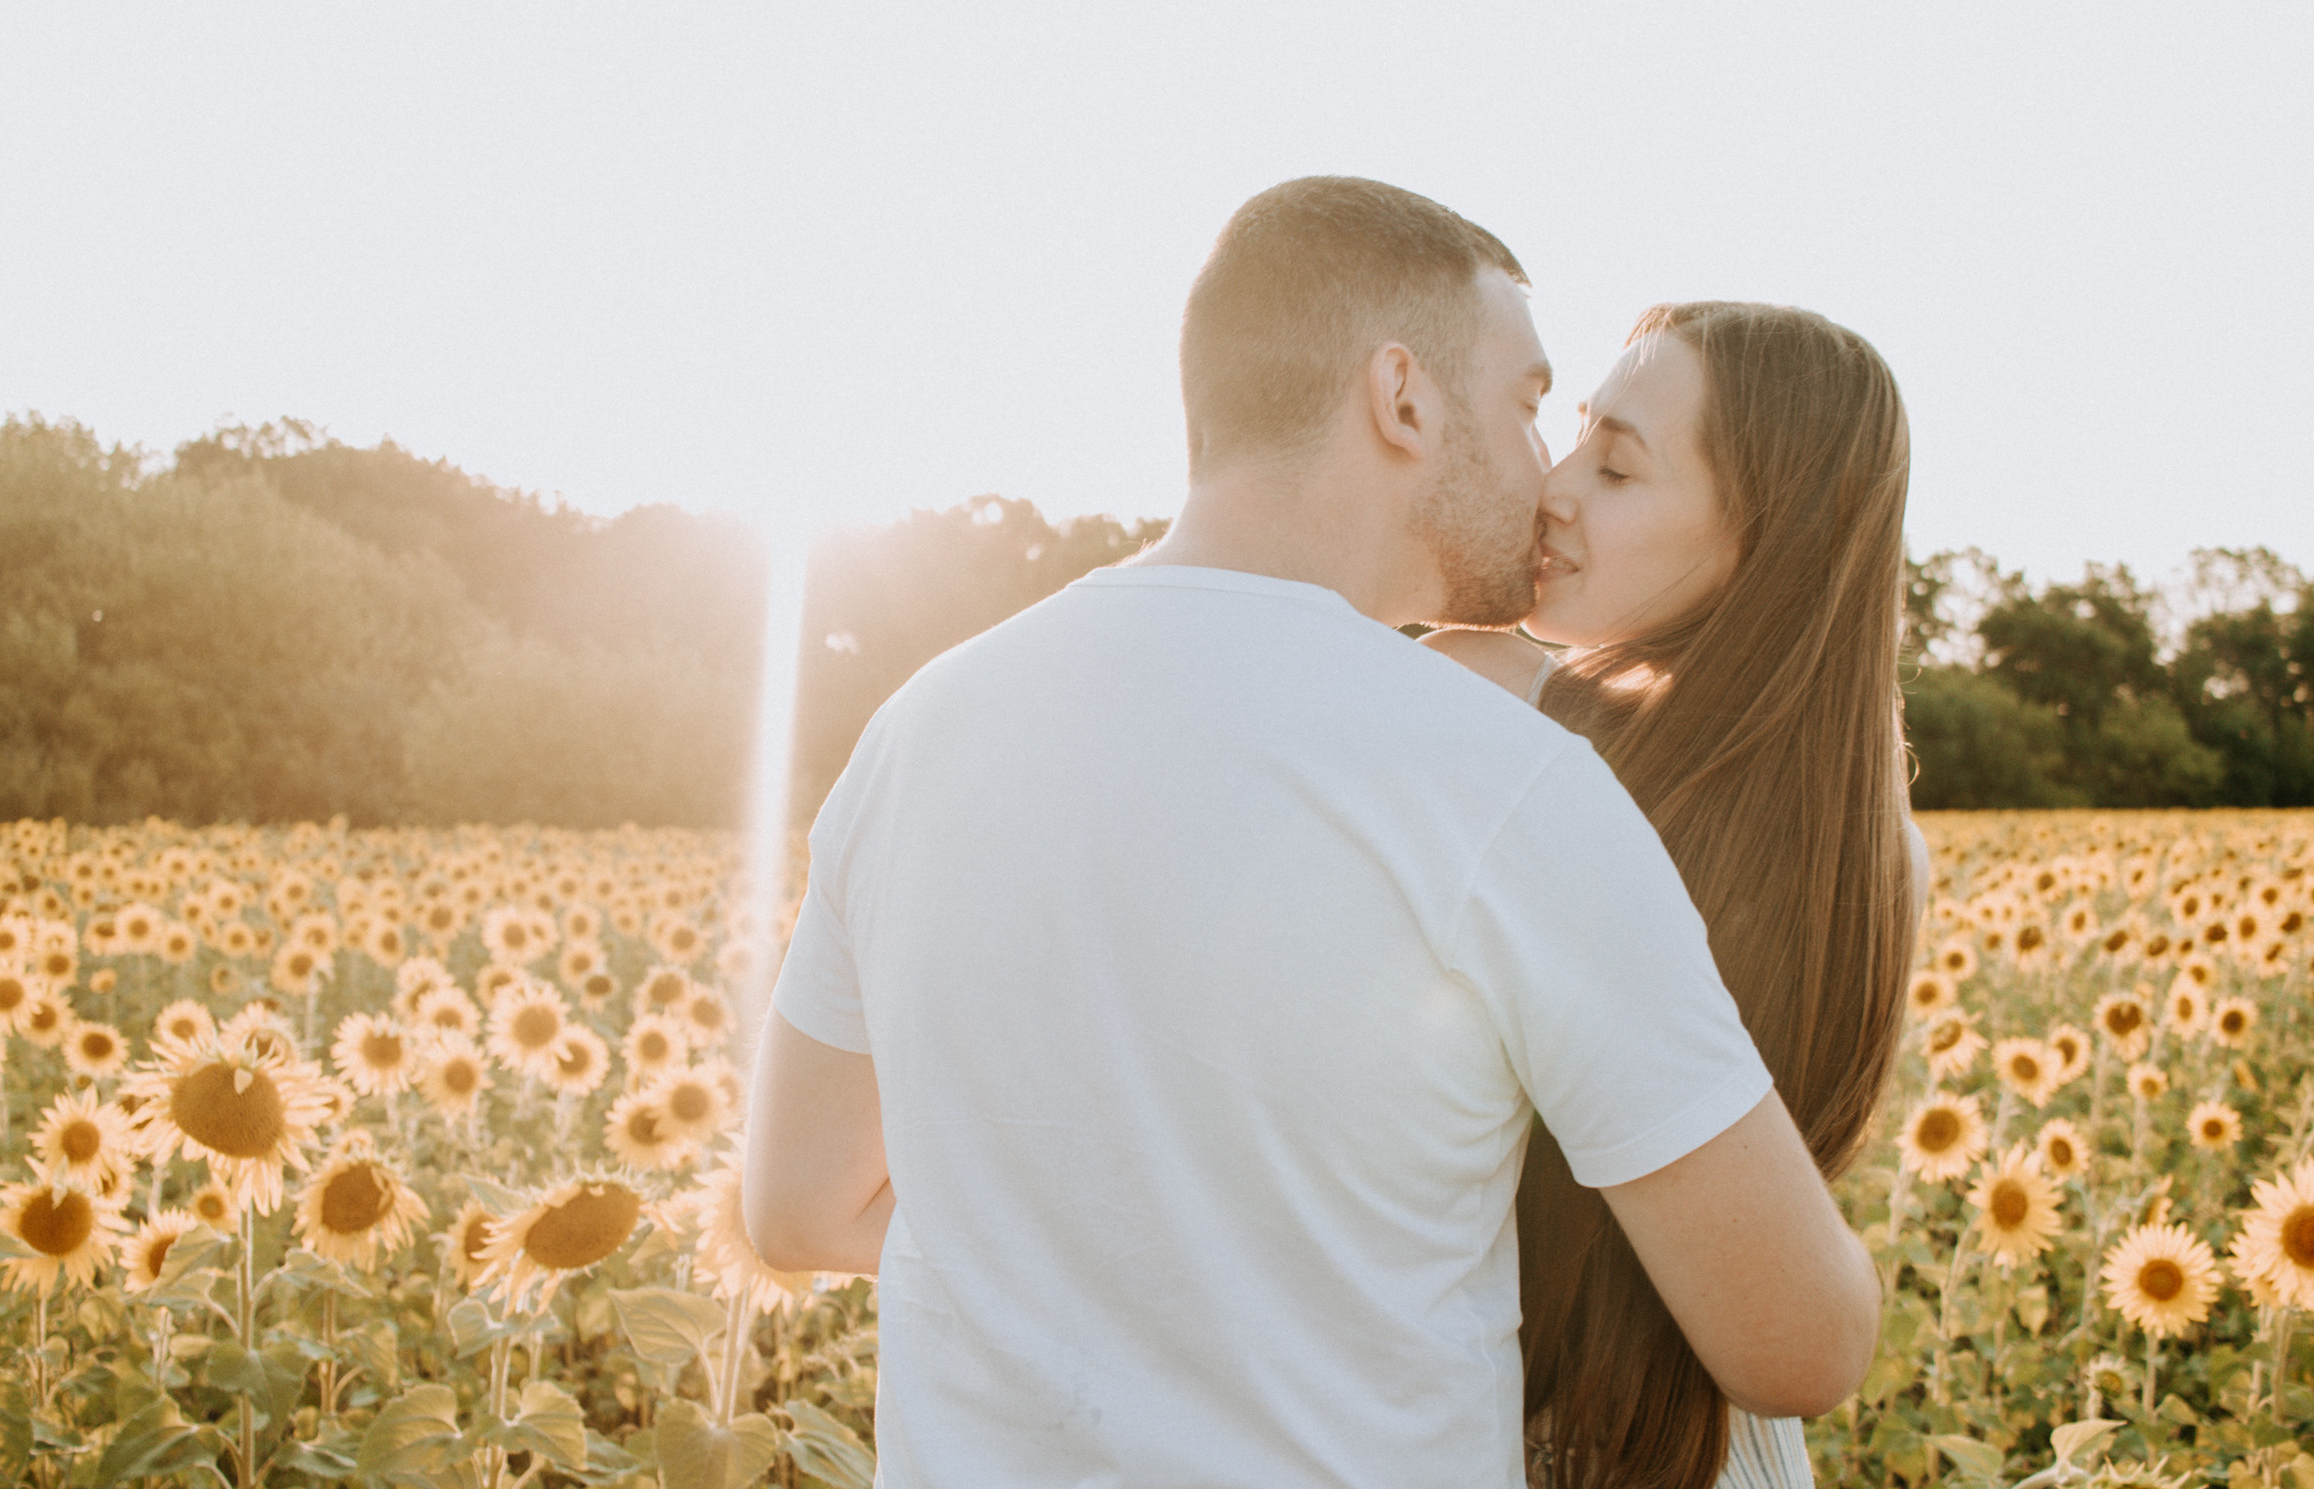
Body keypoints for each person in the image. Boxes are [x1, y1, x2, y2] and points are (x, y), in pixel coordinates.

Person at [742, 176, 1880, 1489]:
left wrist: (1091, 1271)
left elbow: (797, 1205)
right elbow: (1798, 1348)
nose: (1542, 473)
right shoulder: (1506, 786)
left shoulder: (917, 728)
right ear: (1403, 400)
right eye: (1525, 407)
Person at [1424, 301, 1922, 1489]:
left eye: (1616, 464)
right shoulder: (1876, 854)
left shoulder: (1491, 701)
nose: (1553, 487)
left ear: (1765, 538)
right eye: (1575, 437)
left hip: (1469, 1422)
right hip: (1711, 1452)